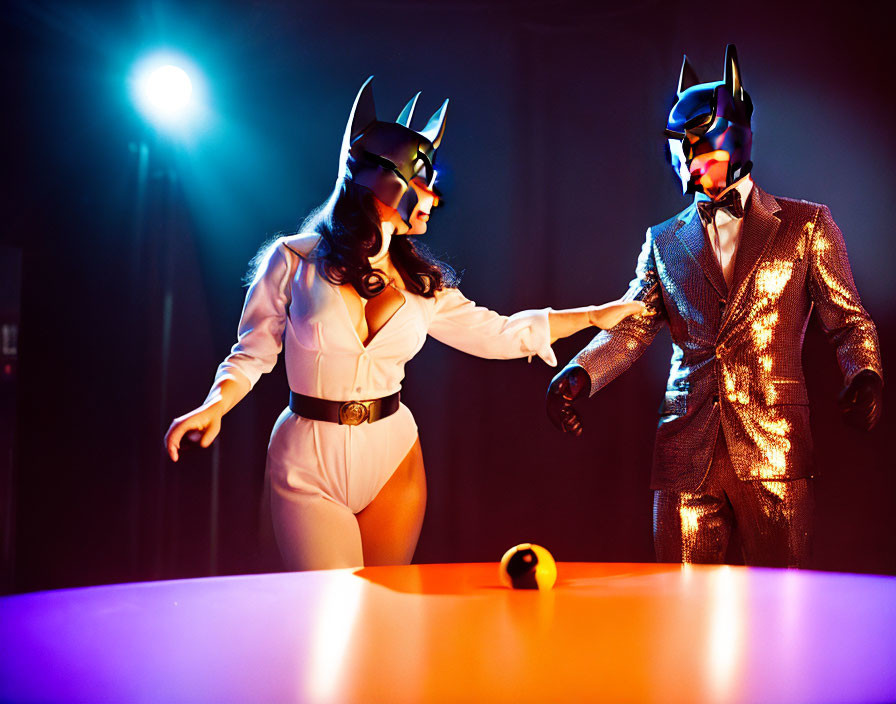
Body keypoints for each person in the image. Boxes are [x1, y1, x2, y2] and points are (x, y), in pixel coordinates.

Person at [165, 78, 643, 570]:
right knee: (331, 611)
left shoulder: (421, 284)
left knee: (385, 617)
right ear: (384, 180)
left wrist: (591, 317)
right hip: (308, 457)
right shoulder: (292, 260)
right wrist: (214, 406)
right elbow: (254, 350)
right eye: (422, 184)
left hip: (392, 454)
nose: (434, 198)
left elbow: (498, 332)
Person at [546, 46, 883, 567]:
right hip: (685, 450)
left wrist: (865, 372)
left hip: (775, 448)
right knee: (681, 611)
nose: (693, 171)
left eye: (703, 156)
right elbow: (632, 327)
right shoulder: (663, 239)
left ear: (736, 141)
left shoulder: (806, 225)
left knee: (785, 605)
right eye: (684, 159)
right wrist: (580, 373)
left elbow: (848, 320)